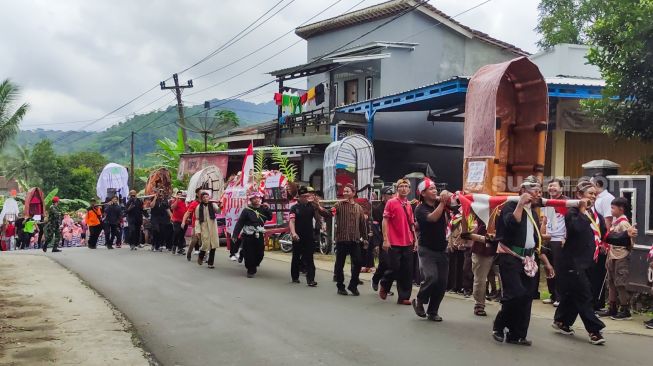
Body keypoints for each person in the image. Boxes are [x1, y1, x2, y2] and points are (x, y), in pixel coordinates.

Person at [552, 181, 634, 345]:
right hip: (572, 263)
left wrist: (626, 235)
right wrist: (582, 210)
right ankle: (594, 330)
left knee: (574, 295)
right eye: (590, 193)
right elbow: (576, 229)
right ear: (579, 195)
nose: (593, 196)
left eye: (595, 194)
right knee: (584, 296)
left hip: (589, 262)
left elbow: (606, 237)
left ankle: (561, 321)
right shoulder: (573, 213)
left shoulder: (597, 216)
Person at [492, 176, 554, 346]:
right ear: (522, 192)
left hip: (529, 258)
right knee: (515, 294)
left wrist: (545, 262)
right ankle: (499, 325)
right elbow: (511, 224)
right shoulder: (509, 206)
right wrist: (520, 204)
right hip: (511, 256)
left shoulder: (533, 213)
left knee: (527, 297)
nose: (537, 194)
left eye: (539, 192)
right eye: (534, 191)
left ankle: (517, 334)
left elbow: (536, 240)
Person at [411, 178, 451, 321]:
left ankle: (433, 311)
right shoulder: (420, 208)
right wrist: (442, 202)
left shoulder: (442, 203)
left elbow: (456, 204)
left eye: (436, 188)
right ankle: (420, 299)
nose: (435, 190)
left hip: (442, 249)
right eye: (431, 189)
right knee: (431, 277)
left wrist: (447, 195)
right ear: (423, 193)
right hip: (427, 249)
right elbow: (432, 218)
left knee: (441, 283)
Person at [380, 178, 417, 305]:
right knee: (394, 267)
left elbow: (412, 224)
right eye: (401, 186)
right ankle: (384, 284)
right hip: (394, 241)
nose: (404, 188)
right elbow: (385, 220)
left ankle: (404, 297)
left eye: (406, 186)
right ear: (397, 188)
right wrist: (385, 239)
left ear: (409, 189)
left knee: (407, 271)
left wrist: (415, 240)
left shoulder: (408, 205)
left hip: (408, 242)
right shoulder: (391, 202)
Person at [332, 184, 368, 296]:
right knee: (339, 264)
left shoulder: (359, 208)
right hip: (342, 239)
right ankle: (340, 286)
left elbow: (362, 224)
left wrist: (365, 238)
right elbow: (330, 214)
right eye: (344, 191)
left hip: (355, 240)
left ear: (353, 193)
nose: (345, 193)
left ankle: (353, 285)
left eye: (348, 191)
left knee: (358, 262)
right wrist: (319, 208)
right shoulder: (338, 205)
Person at [289, 186, 328, 287]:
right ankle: (295, 276)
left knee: (309, 258)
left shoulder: (312, 207)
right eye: (304, 196)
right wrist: (293, 233)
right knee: (296, 257)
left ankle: (311, 279)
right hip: (297, 236)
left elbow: (318, 217)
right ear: (299, 197)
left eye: (307, 196)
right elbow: (291, 221)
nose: (306, 198)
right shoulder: (294, 208)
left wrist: (322, 224)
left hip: (309, 236)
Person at [604, 197, 635, 320]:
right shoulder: (615, 222)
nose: (611, 210)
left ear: (621, 209)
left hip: (621, 256)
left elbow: (631, 242)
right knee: (611, 282)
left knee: (620, 283)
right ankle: (612, 307)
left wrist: (625, 250)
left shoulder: (624, 223)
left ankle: (625, 308)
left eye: (613, 208)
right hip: (612, 255)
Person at [540, 178, 568, 306]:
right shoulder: (547, 202)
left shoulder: (566, 202)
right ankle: (552, 295)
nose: (551, 188)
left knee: (559, 268)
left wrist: (565, 238)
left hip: (559, 239)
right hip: (548, 238)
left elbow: (569, 222)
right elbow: (545, 220)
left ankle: (560, 297)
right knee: (548, 267)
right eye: (550, 186)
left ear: (561, 188)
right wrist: (541, 235)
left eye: (554, 186)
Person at [589, 174, 615, 311]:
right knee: (593, 271)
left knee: (599, 272)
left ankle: (597, 302)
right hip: (594, 240)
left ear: (598, 185)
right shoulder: (596, 198)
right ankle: (592, 300)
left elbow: (608, 222)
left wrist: (605, 242)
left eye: (591, 184)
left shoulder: (607, 199)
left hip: (602, 241)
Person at [232, 191, 272, 278]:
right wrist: (235, 234)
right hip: (248, 235)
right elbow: (240, 223)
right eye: (255, 198)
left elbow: (270, 217)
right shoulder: (246, 210)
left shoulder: (263, 209)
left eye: (258, 198)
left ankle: (254, 263)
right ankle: (251, 269)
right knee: (249, 253)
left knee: (260, 253)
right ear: (251, 200)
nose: (257, 200)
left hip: (259, 234)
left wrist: (268, 209)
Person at [371, 186, 395, 295]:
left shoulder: (395, 207)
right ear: (383, 196)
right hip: (382, 239)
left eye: (392, 195)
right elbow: (376, 228)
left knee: (393, 265)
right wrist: (376, 244)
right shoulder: (378, 209)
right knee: (384, 263)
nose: (390, 197)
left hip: (395, 239)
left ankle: (386, 288)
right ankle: (376, 279)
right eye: (388, 195)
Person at [194, 192, 221, 268]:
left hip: (213, 227)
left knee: (213, 245)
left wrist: (220, 206)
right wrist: (198, 231)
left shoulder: (212, 205)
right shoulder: (199, 207)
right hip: (204, 227)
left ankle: (210, 263)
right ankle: (201, 256)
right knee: (205, 244)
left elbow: (218, 211)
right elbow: (197, 219)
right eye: (204, 197)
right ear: (201, 199)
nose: (206, 198)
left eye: (207, 197)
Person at [182, 188, 202, 261]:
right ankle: (189, 252)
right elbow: (187, 213)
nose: (202, 193)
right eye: (200, 192)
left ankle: (203, 256)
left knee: (204, 241)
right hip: (196, 224)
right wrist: (183, 221)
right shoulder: (194, 203)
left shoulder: (206, 201)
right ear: (197, 194)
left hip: (205, 224)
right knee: (194, 240)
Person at [170, 191, 188, 255]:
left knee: (182, 235)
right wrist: (177, 200)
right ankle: (174, 245)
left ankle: (180, 248)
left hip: (185, 221)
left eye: (184, 195)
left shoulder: (187, 202)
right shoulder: (176, 201)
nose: (183, 197)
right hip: (177, 220)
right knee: (176, 232)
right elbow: (172, 207)